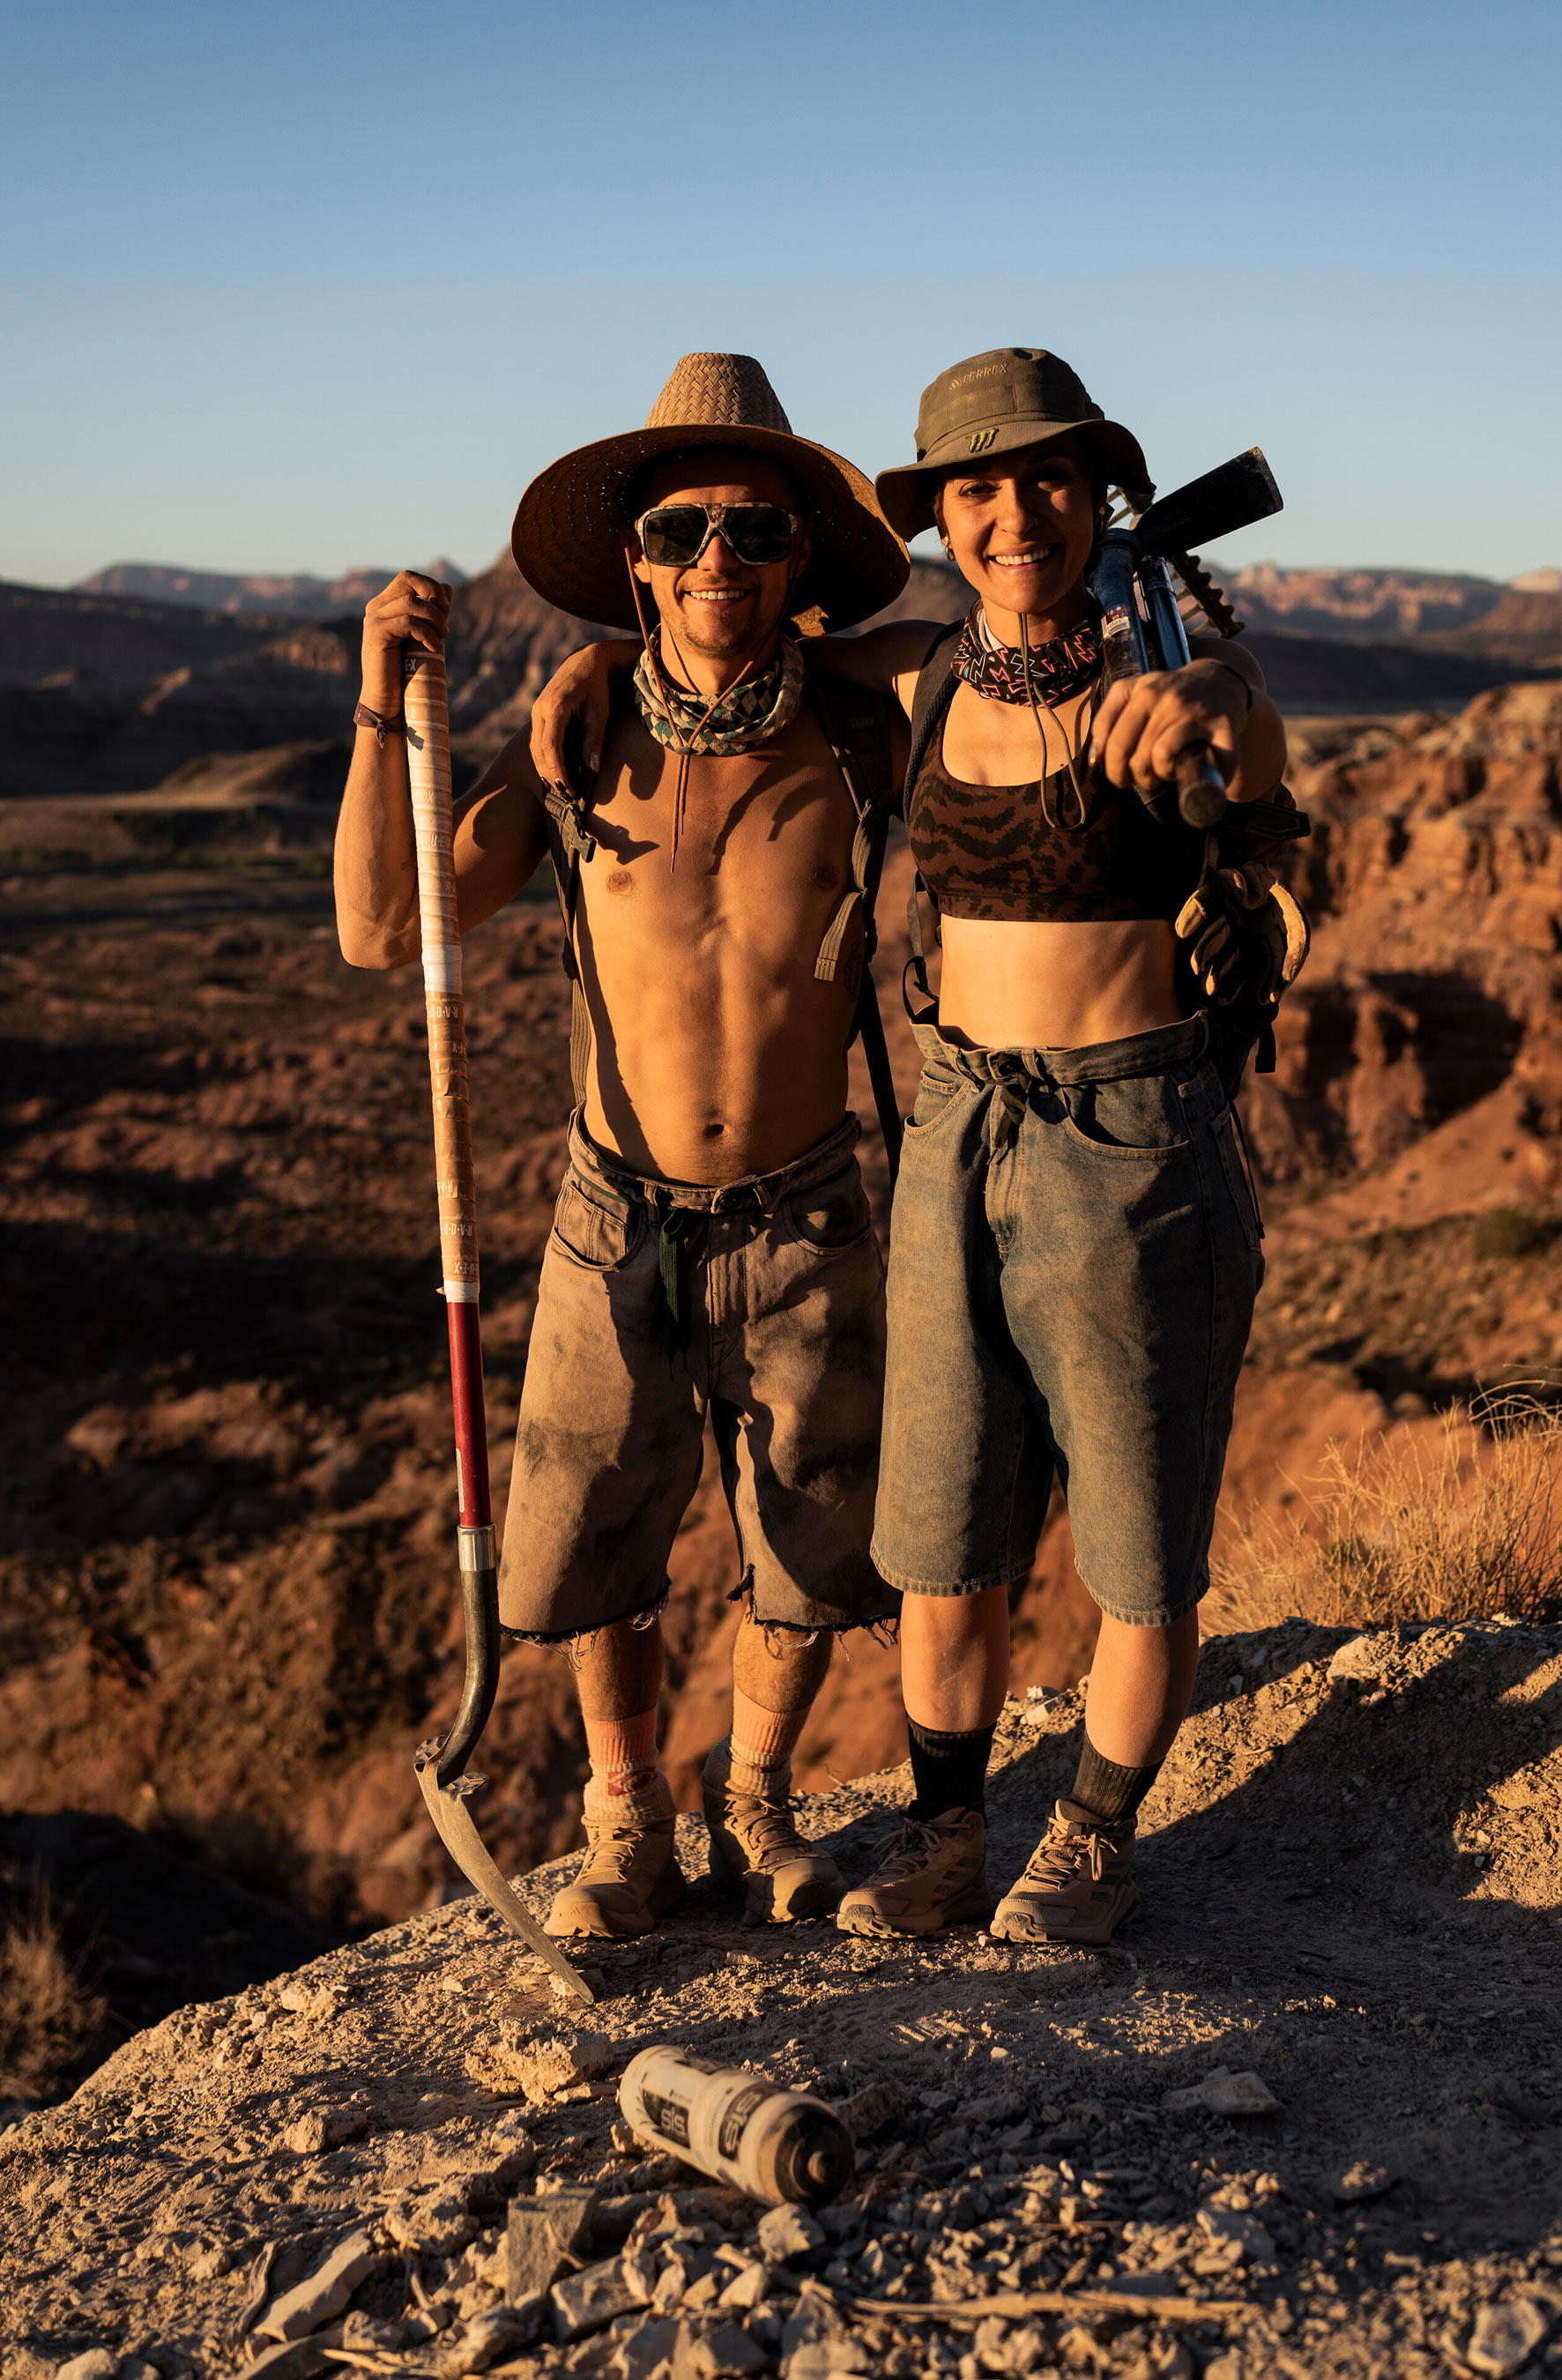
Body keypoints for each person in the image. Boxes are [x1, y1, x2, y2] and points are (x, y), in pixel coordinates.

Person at [529, 346, 1295, 1946]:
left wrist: (1229, 702)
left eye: (1047, 481)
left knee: (1137, 1541)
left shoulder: (1168, 681)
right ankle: (952, 1841)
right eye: (979, 489)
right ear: (942, 516)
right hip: (953, 1136)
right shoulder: (917, 675)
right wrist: (594, 664)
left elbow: (1269, 817)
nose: (1016, 516)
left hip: (1130, 1136)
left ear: (1095, 498)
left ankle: (1090, 1841)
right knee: (942, 1537)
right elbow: (732, 660)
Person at [333, 353, 910, 1939]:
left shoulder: (861, 728)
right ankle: (627, 1822)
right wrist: (381, 704)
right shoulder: (571, 755)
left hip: (807, 1210)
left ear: (801, 555)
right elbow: (381, 926)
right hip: (618, 1212)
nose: (717, 556)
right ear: (637, 563)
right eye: (679, 532)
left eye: (754, 529)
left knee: (811, 1543)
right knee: (601, 1537)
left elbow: (983, 649)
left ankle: (760, 1803)